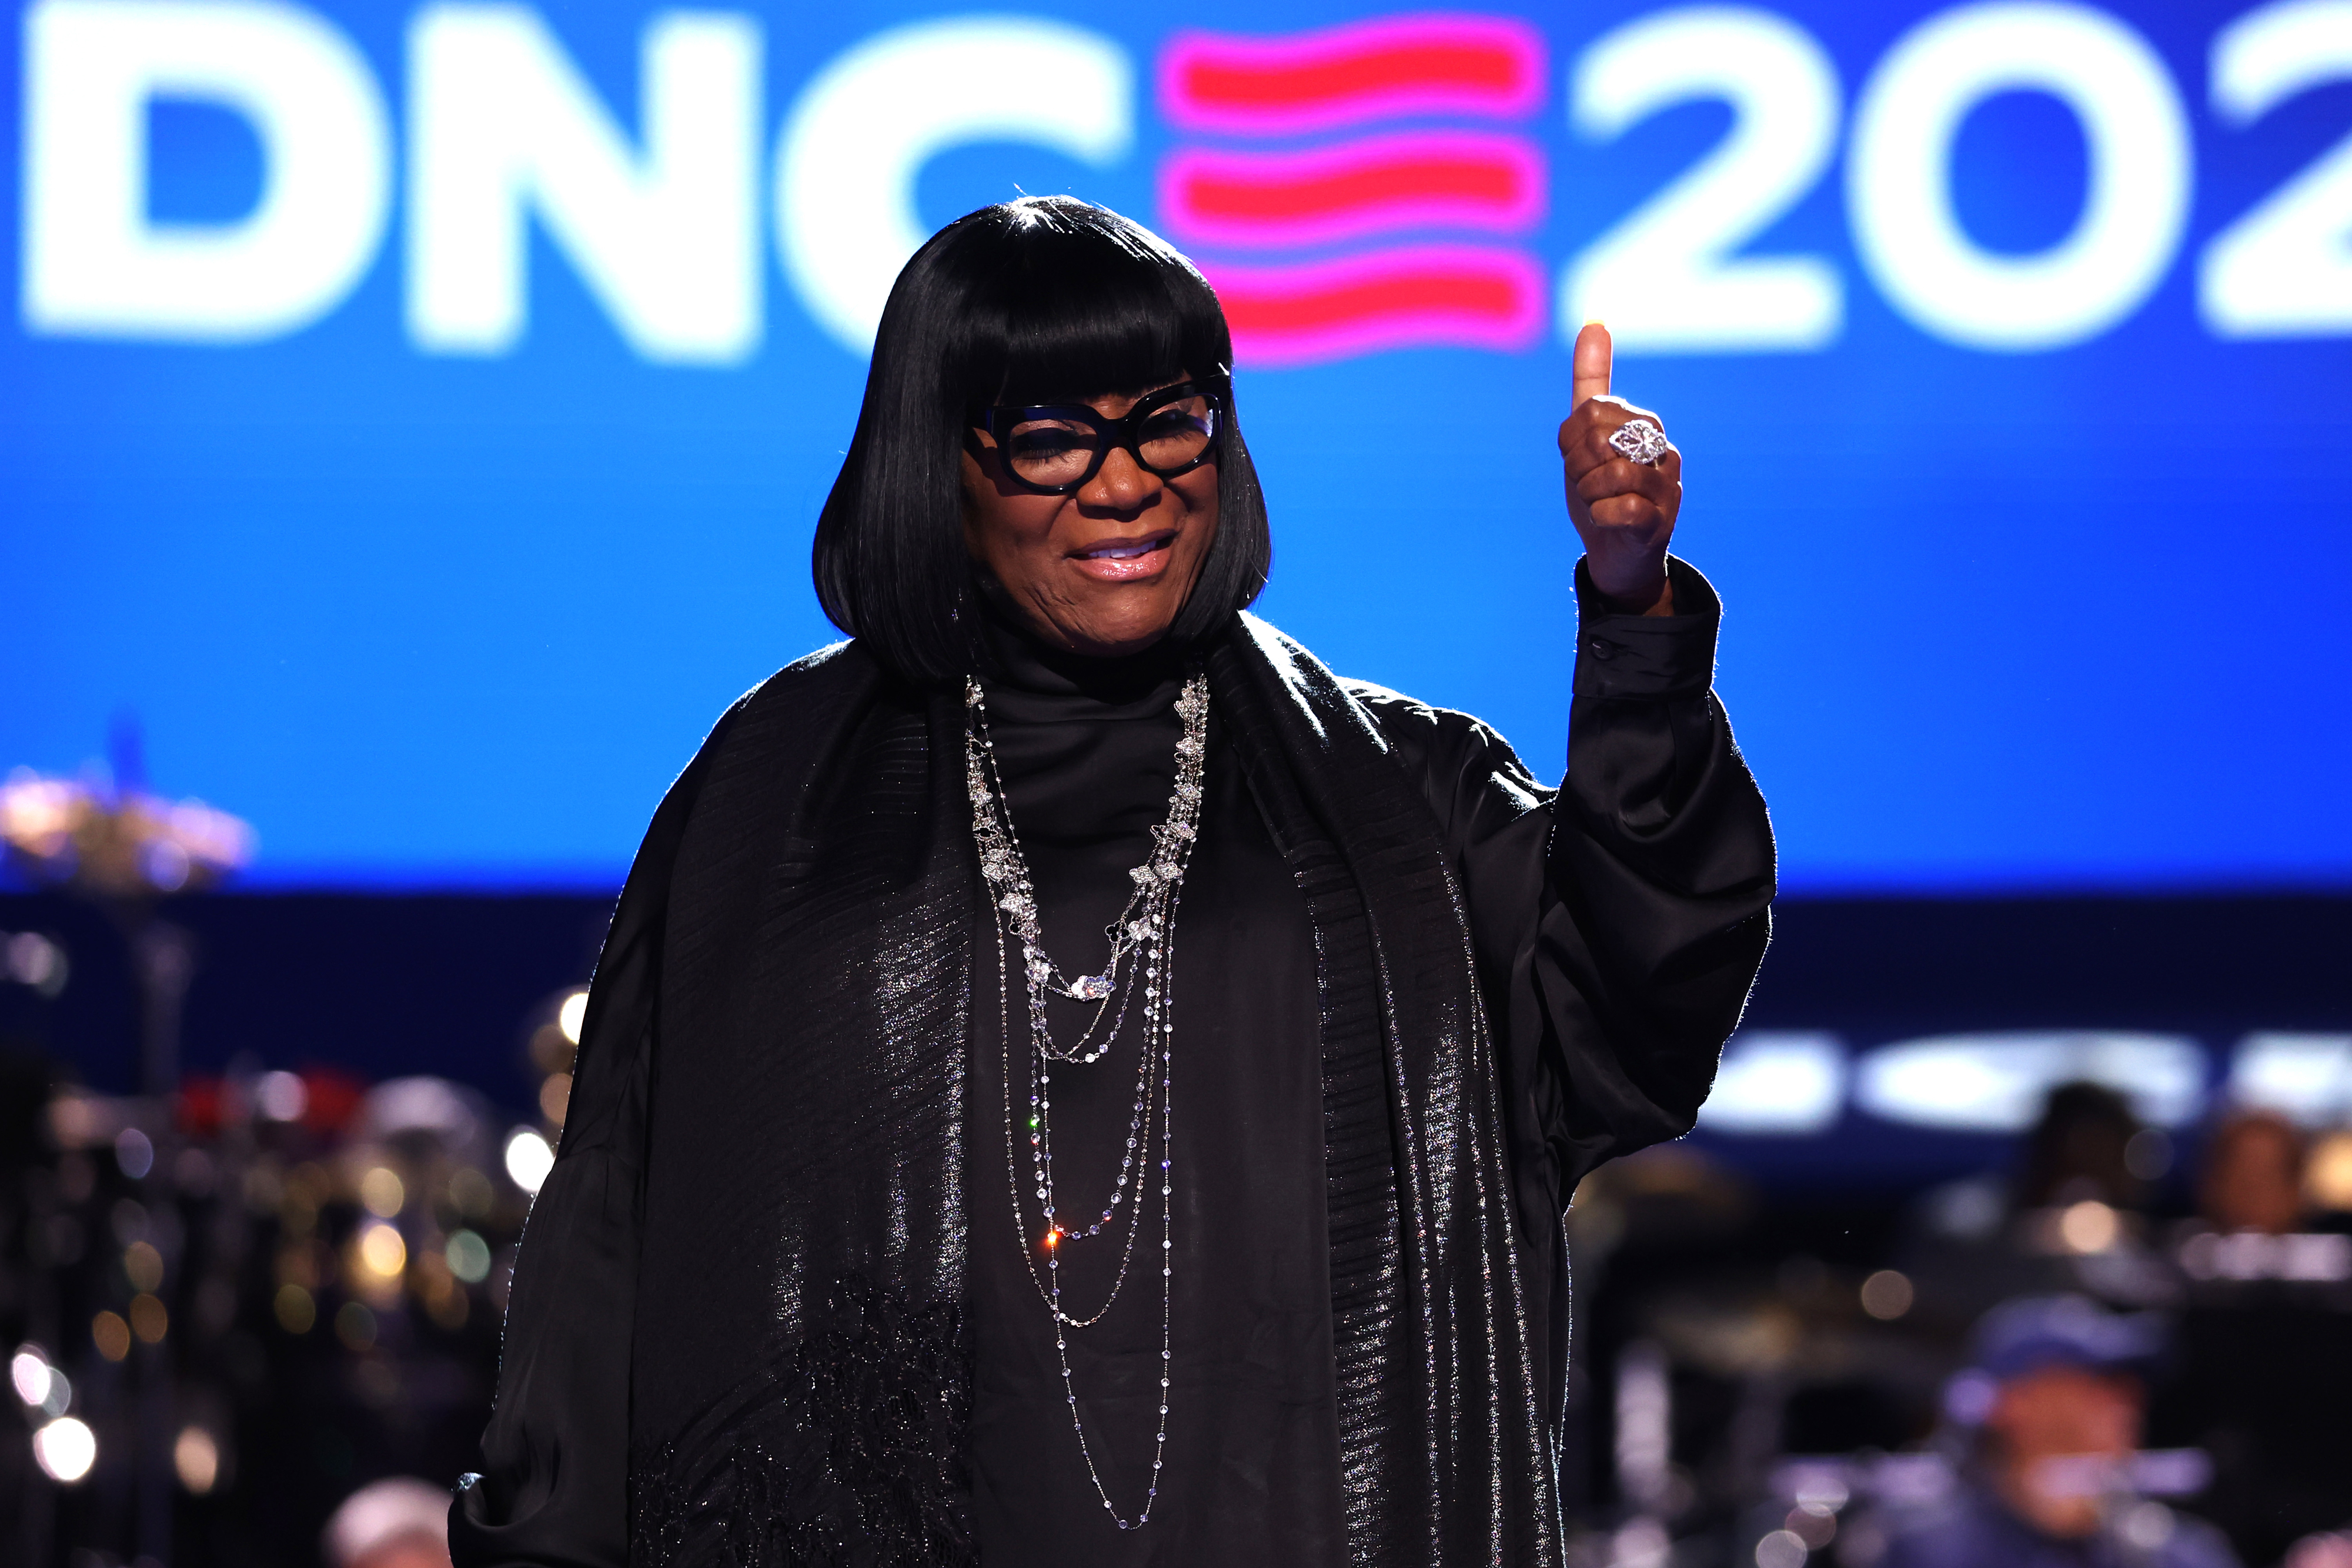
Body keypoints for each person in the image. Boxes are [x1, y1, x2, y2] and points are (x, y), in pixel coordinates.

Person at [448, 197, 1773, 1567]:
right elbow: (615, 1234)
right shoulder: (775, 799)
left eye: (1167, 419)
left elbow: (1632, 1012)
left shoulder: (1398, 798)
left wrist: (1634, 616)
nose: (1125, 480)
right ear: (938, 467)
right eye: (1045, 439)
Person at [1878, 1296, 2237, 1568]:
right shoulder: (1924, 1550)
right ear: (2013, 1403)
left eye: (2132, 1383)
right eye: (2099, 1379)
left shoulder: (2176, 1553)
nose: (2129, 1400)